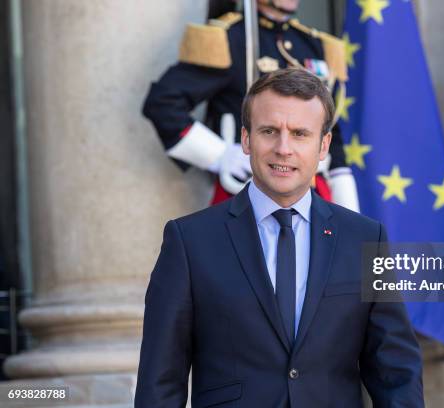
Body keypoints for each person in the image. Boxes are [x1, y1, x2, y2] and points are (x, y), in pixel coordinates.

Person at [135, 68, 423, 407]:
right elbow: (160, 382)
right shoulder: (189, 241)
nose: (283, 148)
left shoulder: (365, 238)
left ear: (323, 145)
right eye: (269, 131)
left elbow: (396, 371)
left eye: (300, 133)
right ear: (245, 139)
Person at [142, 0, 360, 211]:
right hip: (250, 191)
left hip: (315, 194)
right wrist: (219, 155)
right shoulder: (229, 39)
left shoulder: (315, 45)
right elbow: (163, 103)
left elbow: (330, 129)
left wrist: (348, 209)